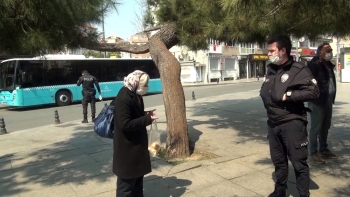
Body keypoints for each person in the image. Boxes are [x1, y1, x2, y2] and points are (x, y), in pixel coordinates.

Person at [260, 35, 320, 197]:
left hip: (292, 123)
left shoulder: (298, 69)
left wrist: (290, 94)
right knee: (279, 161)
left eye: (272, 51)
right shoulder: (271, 69)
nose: (269, 54)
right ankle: (280, 190)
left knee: (299, 163)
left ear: (283, 51)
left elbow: (314, 91)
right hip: (273, 123)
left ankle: (303, 194)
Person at [113, 70, 158, 197]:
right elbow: (125, 124)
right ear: (135, 82)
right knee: (126, 186)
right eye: (143, 85)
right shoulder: (123, 97)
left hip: (137, 147)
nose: (145, 88)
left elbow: (133, 114)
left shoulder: (136, 95)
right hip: (127, 148)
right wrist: (147, 119)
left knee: (138, 183)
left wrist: (145, 114)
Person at [307, 43, 338, 164]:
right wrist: (316, 96)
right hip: (317, 102)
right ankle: (314, 152)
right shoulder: (313, 65)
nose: (330, 52)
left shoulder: (328, 65)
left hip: (328, 101)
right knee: (315, 128)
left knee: (325, 127)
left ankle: (324, 149)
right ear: (320, 52)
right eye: (328, 50)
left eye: (331, 50)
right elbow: (308, 83)